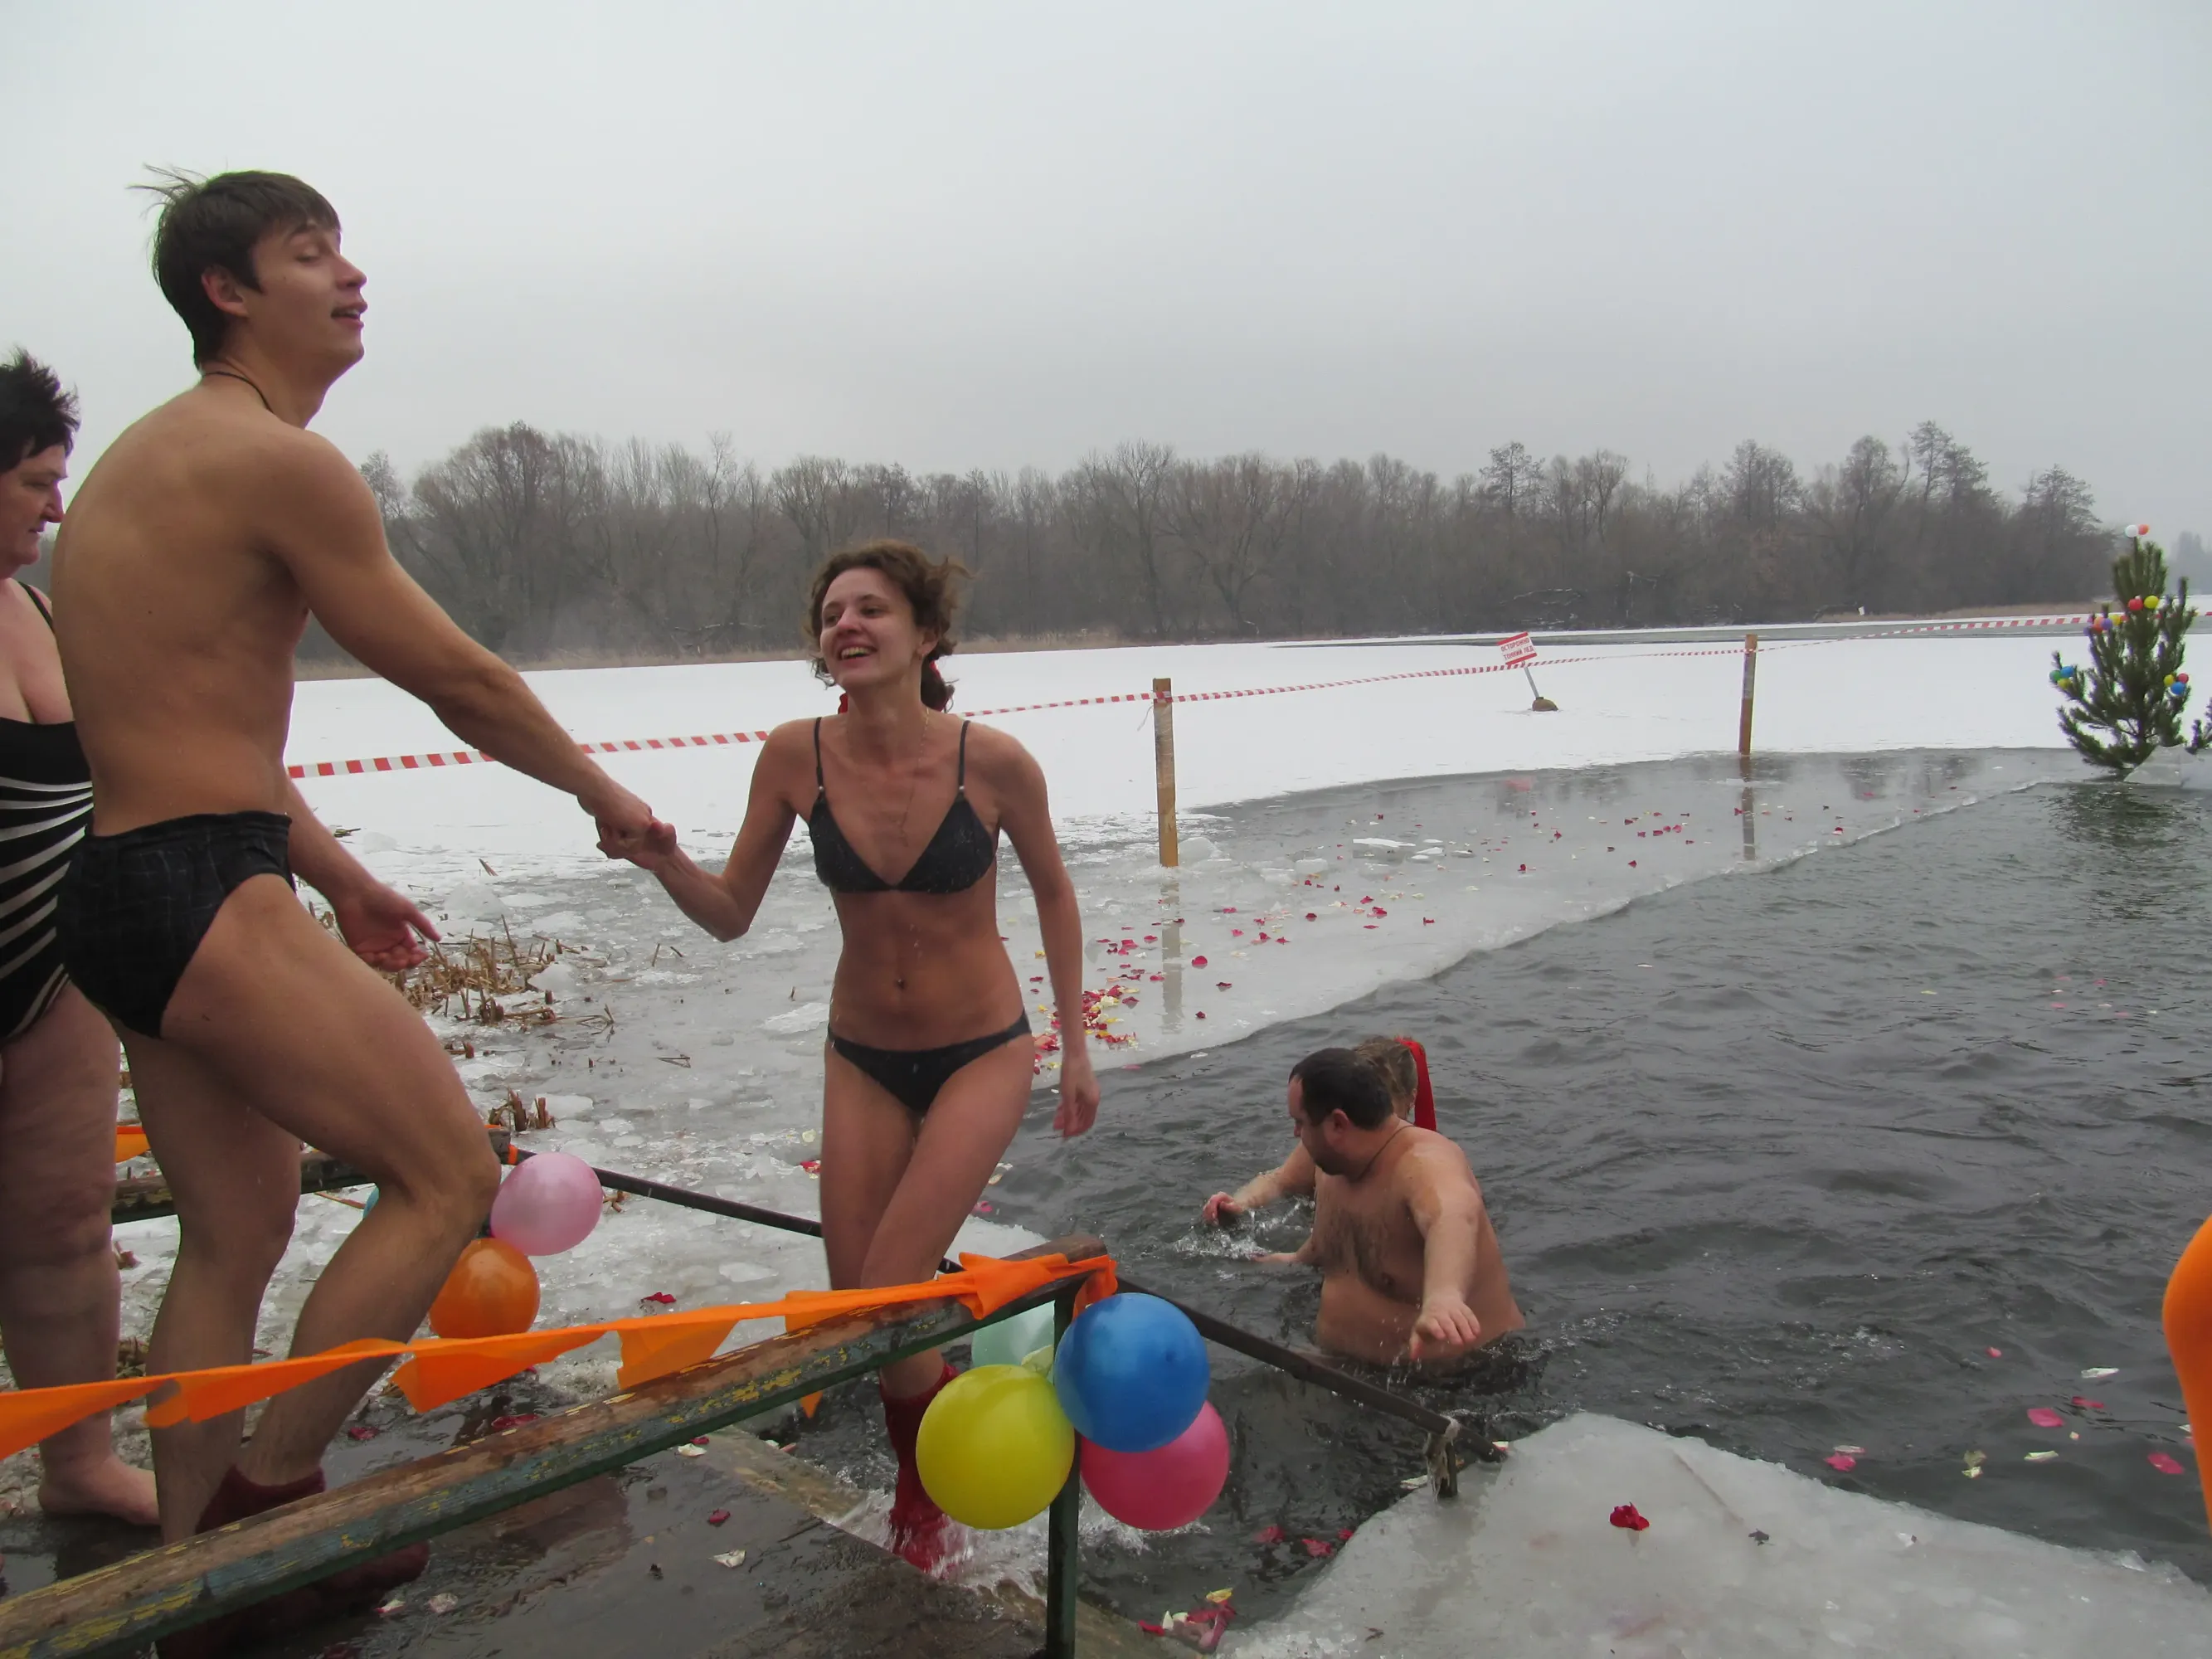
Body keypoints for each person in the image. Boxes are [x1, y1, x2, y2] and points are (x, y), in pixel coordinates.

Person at [51, 171, 664, 1622]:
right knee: (449, 1173)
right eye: (310, 254)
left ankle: (195, 1576)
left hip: (129, 889)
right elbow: (453, 674)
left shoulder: (142, 465)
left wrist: (333, 871)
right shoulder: (275, 458)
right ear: (229, 292)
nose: (353, 276)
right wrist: (598, 789)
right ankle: (274, 1509)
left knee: (236, 1232)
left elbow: (178, 715)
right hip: (203, 887)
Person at [631, 538, 1099, 1571]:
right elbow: (730, 913)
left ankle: (923, 1504)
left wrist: (1072, 1044)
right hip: (863, 1058)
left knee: (889, 1290)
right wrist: (666, 859)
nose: (846, 624)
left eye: (872, 609)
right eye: (833, 611)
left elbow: (1056, 892)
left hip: (983, 1048)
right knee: (863, 1304)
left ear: (925, 634)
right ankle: (918, 1467)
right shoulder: (794, 754)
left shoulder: (996, 760)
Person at [0, 352, 157, 1527]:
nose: (58, 508)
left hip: (45, 976)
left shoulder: (44, 610)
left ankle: (77, 1464)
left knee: (63, 1225)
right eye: (36, 481)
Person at [1256, 1047, 1521, 1368]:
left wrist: (1443, 1298)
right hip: (1342, 1367)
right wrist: (1270, 1262)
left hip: (1458, 1380)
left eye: (1300, 1123)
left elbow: (1452, 1217)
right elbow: (1336, 1248)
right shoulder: (1331, 1167)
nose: (1295, 1133)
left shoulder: (1423, 1163)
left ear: (1338, 1125)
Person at [1201, 1034, 1431, 1226]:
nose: (1363, 1113)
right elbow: (1281, 1180)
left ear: (1411, 1099)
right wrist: (1239, 1203)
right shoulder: (1329, 1143)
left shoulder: (1420, 1168)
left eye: (1381, 1103)